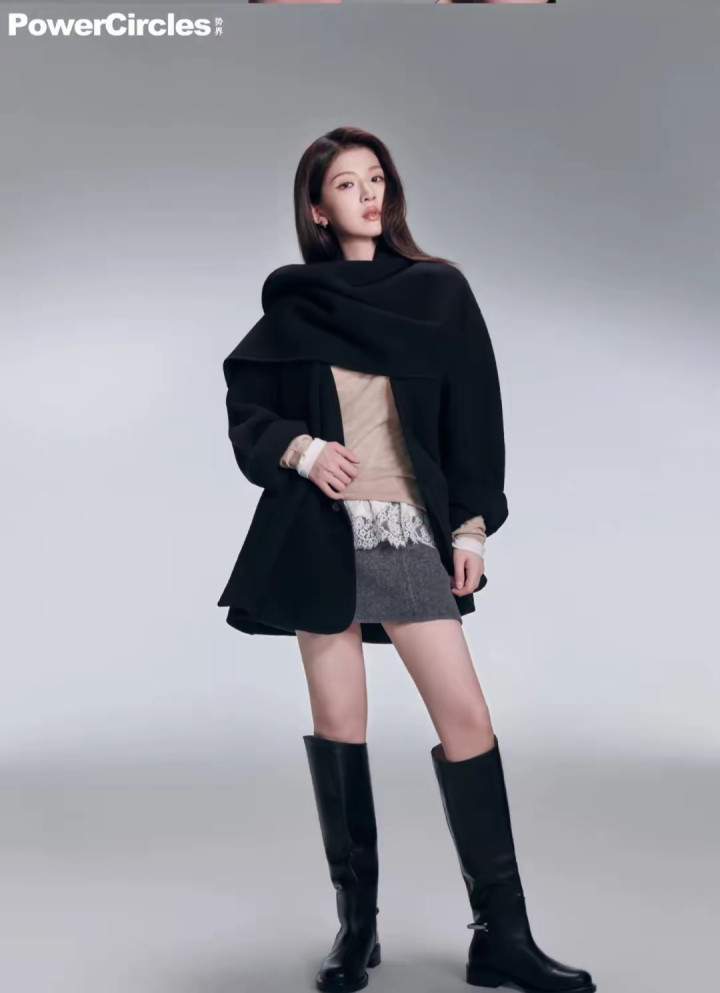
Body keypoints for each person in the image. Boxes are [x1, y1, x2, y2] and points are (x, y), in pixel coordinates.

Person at [217, 126, 595, 993]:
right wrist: (301, 450)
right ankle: (357, 929)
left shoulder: (437, 293)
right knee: (340, 723)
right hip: (317, 530)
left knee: (465, 717)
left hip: (400, 527)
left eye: (376, 178)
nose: (368, 194)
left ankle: (502, 935)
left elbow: (476, 415)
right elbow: (246, 406)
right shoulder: (296, 303)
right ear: (318, 209)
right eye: (347, 184)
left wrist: (471, 527)